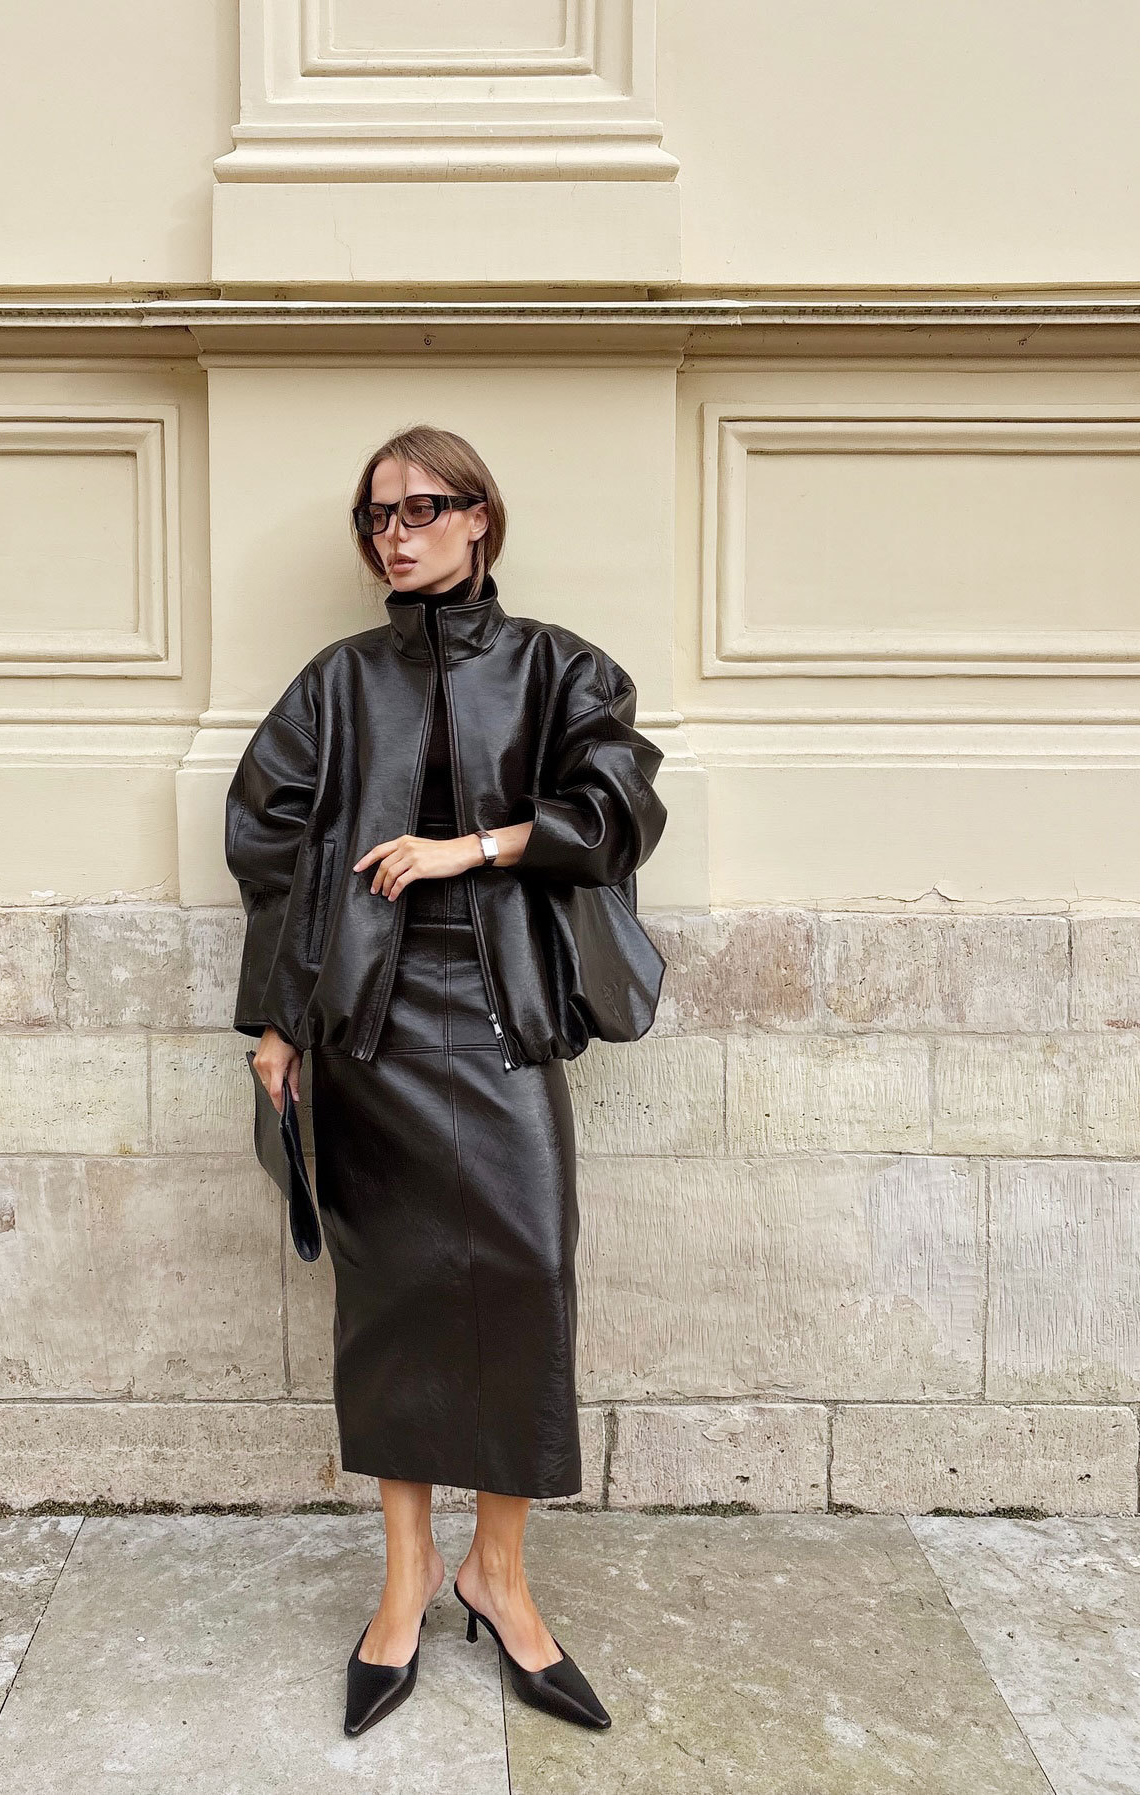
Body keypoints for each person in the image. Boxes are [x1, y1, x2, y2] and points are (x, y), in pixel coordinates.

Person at [224, 424, 669, 1738]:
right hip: (367, 1028)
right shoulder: (336, 683)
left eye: (422, 509)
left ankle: (501, 1573)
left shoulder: (558, 669)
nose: (396, 535)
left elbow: (617, 811)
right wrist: (276, 1024)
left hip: (502, 1017)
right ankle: (408, 1574)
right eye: (379, 517)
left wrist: (467, 847)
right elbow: (270, 847)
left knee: (526, 1278)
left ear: (481, 517)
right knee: (395, 1299)